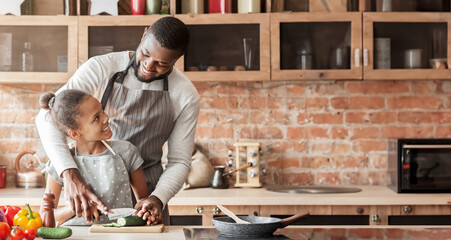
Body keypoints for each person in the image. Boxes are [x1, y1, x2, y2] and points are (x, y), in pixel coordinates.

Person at [35, 16, 200, 225]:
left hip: (147, 197)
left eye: (161, 64)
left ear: (178, 58)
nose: (148, 66)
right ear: (144, 34)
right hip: (89, 191)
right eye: (145, 53)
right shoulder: (101, 68)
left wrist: (157, 199)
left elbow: (179, 161)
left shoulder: (185, 95)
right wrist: (69, 172)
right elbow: (48, 117)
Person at [38, 90, 151, 225]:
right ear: (74, 134)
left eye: (102, 110)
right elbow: (45, 215)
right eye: (96, 118)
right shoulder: (61, 163)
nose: (106, 118)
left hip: (120, 234)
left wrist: (147, 212)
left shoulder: (126, 152)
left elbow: (143, 201)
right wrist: (76, 207)